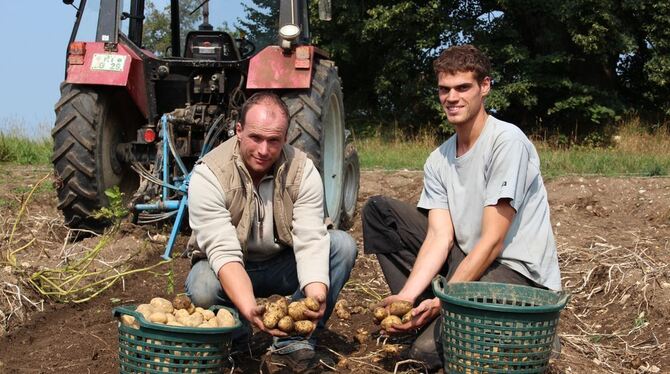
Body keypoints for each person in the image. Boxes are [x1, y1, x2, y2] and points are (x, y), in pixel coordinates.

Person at [361, 44, 562, 370]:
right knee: (379, 212)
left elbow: (494, 241)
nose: (451, 97)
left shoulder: (506, 142)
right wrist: (406, 297)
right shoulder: (439, 159)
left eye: (462, 87)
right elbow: (439, 236)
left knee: (424, 354)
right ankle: (424, 313)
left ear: (484, 87)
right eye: (444, 89)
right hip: (469, 258)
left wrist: (446, 298)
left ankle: (531, 330)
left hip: (515, 271)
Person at [184, 91, 357, 371]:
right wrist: (250, 308)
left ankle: (294, 342)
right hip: (231, 269)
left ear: (285, 137)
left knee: (342, 246)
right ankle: (238, 338)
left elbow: (311, 240)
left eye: (273, 140)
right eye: (255, 138)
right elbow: (223, 252)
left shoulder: (303, 171)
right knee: (203, 283)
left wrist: (315, 297)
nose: (264, 150)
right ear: (239, 131)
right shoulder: (209, 175)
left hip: (282, 265)